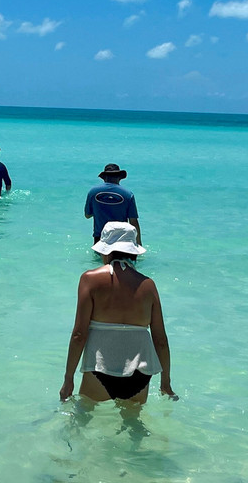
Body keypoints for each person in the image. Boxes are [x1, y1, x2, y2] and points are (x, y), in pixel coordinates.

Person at [60, 222, 175, 403]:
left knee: (84, 422)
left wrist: (68, 379)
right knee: (134, 426)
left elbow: (79, 335)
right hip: (140, 372)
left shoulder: (89, 280)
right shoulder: (148, 285)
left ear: (106, 250)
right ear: (133, 251)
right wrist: (166, 381)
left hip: (100, 368)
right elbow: (160, 340)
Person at [84, 163, 141, 246]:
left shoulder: (93, 192)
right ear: (119, 177)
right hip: (122, 237)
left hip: (101, 237)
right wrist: (138, 243)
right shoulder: (128, 194)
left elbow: (87, 215)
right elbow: (133, 221)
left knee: (100, 258)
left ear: (104, 177)